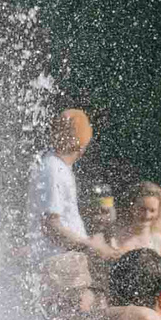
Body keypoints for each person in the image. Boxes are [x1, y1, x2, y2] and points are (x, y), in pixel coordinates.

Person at [28, 109, 113, 270]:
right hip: (57, 265)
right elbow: (51, 226)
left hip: (65, 262)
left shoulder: (59, 166)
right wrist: (90, 246)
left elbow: (61, 218)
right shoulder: (53, 169)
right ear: (82, 144)